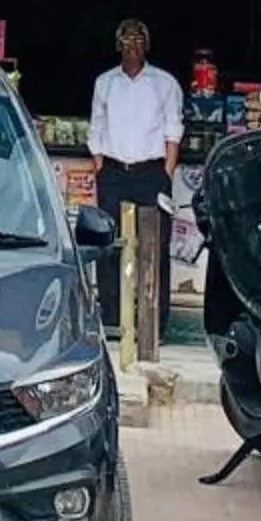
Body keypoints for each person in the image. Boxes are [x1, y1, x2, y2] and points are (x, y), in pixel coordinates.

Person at [87, 19, 182, 344]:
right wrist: (100, 165)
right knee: (109, 243)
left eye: (138, 39)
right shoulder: (105, 83)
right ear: (118, 46)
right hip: (114, 171)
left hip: (151, 173)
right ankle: (112, 318)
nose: (132, 45)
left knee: (155, 248)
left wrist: (166, 171)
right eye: (126, 40)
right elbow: (96, 127)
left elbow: (173, 129)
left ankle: (154, 324)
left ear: (147, 45)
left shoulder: (164, 83)